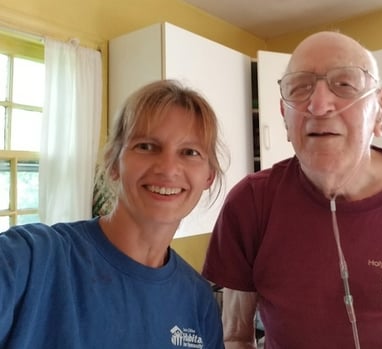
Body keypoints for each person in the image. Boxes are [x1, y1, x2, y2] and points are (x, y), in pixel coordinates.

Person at [202, 31, 382, 348]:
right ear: (284, 116)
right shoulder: (250, 203)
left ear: (380, 110)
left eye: (344, 84)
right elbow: (235, 335)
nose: (317, 105)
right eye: (299, 88)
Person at [0, 80, 225, 348]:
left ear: (208, 176)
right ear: (113, 163)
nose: (167, 168)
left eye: (190, 152)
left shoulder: (198, 300)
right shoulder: (33, 258)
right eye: (146, 146)